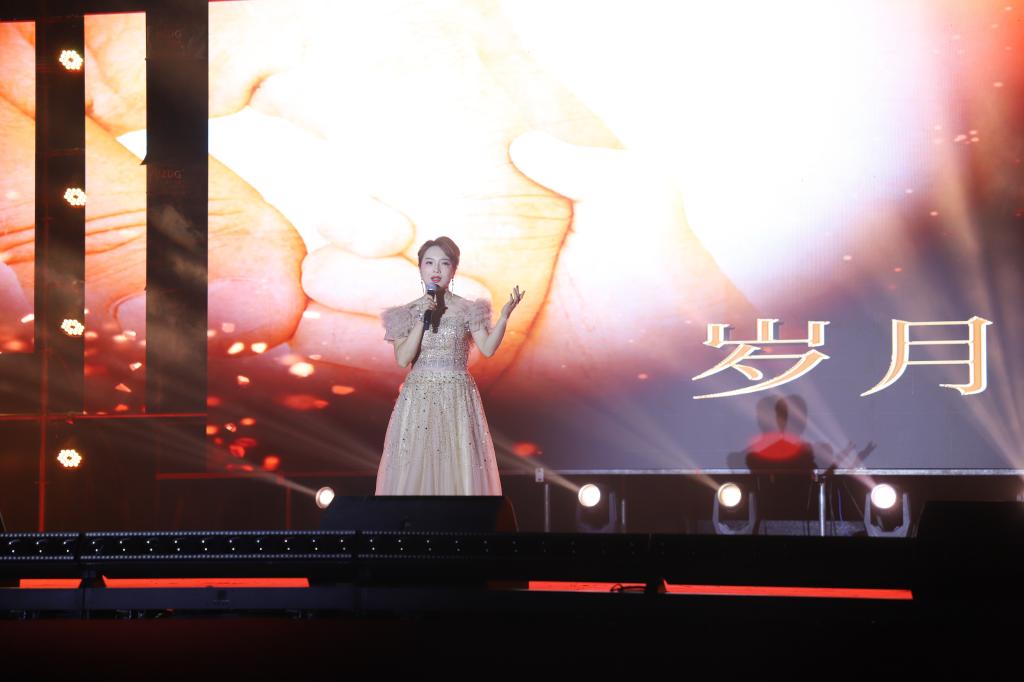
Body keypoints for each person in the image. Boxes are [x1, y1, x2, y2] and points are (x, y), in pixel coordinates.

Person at [375, 236, 524, 495]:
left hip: (457, 396)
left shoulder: (469, 309)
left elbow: (488, 348)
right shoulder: (404, 313)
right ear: (420, 268)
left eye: (444, 263)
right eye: (429, 262)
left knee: (457, 464)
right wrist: (422, 318)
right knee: (417, 466)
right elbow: (402, 359)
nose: (436, 269)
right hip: (419, 398)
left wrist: (503, 318)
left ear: (453, 269)